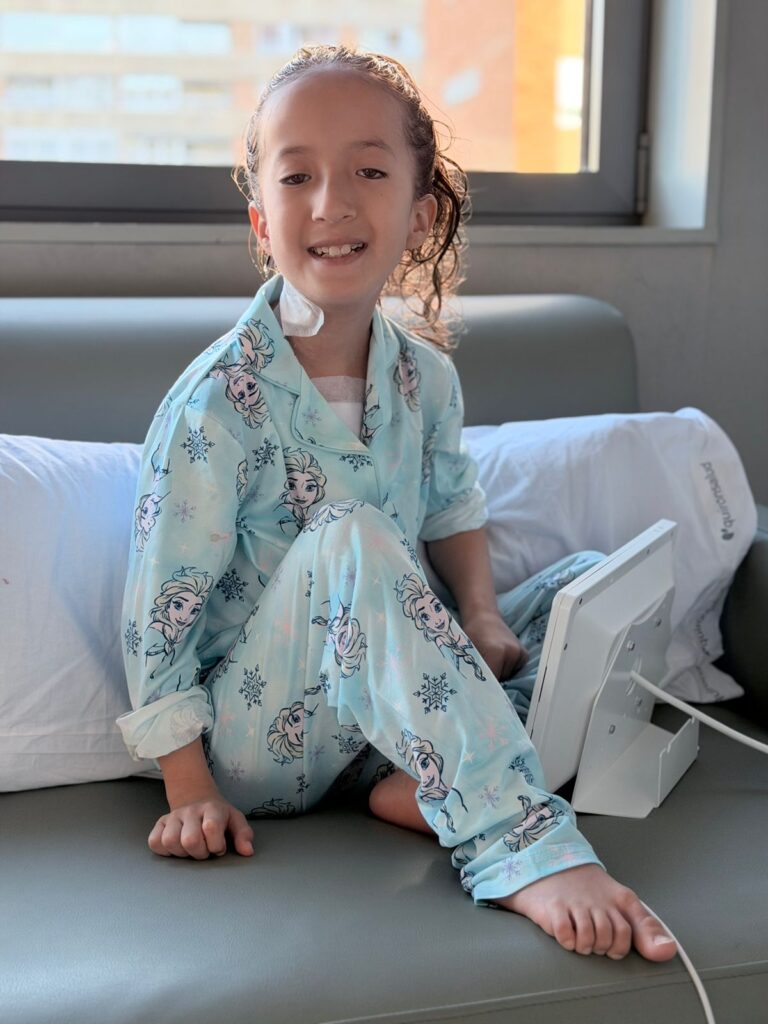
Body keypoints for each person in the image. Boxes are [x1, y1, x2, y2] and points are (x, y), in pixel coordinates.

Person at [118, 43, 677, 964]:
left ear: (420, 216)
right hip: (258, 744)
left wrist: (484, 615)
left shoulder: (426, 377)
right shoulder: (216, 405)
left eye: (368, 172)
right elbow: (158, 617)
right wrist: (190, 791)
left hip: (380, 718)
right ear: (262, 221)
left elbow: (452, 505)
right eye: (297, 176)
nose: (331, 202)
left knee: (579, 586)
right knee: (353, 535)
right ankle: (516, 841)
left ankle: (414, 784)